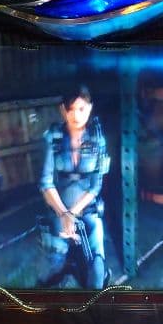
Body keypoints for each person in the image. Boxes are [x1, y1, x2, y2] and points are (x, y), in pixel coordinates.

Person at [39, 85, 110, 289]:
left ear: (90, 108)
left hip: (88, 211)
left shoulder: (97, 139)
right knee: (52, 269)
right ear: (63, 110)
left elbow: (96, 186)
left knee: (97, 270)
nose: (76, 115)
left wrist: (72, 213)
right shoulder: (53, 137)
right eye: (71, 109)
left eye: (81, 109)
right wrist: (63, 214)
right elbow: (45, 182)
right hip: (58, 210)